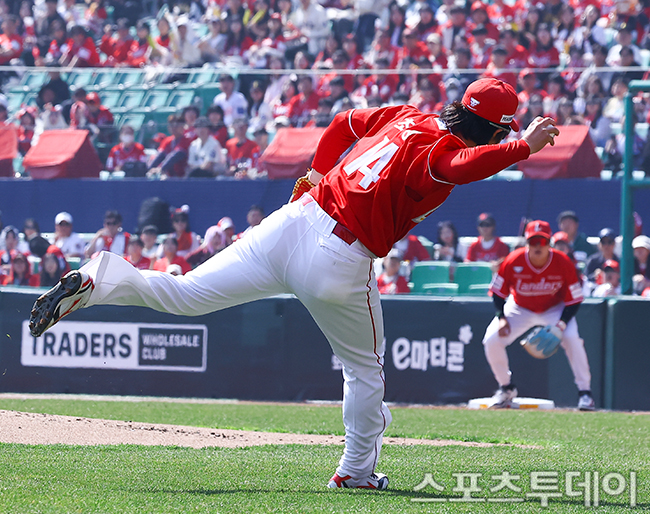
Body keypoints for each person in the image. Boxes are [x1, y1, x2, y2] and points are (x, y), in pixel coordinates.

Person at [29, 77, 559, 490]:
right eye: (502, 132)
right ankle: (355, 472)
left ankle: (99, 277)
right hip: (340, 255)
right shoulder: (443, 153)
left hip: (294, 219)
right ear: (493, 130)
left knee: (186, 294)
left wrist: (318, 173)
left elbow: (343, 123)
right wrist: (523, 148)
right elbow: (461, 165)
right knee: (364, 370)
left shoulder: (406, 115)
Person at [483, 220, 595, 411]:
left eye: (542, 241)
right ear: (526, 242)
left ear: (549, 243)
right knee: (491, 339)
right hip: (519, 307)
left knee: (572, 339)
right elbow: (498, 293)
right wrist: (501, 318)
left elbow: (574, 299)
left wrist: (561, 324)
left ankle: (585, 393)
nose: (537, 246)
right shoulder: (513, 260)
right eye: (533, 241)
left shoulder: (562, 262)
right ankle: (506, 388)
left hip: (554, 309)